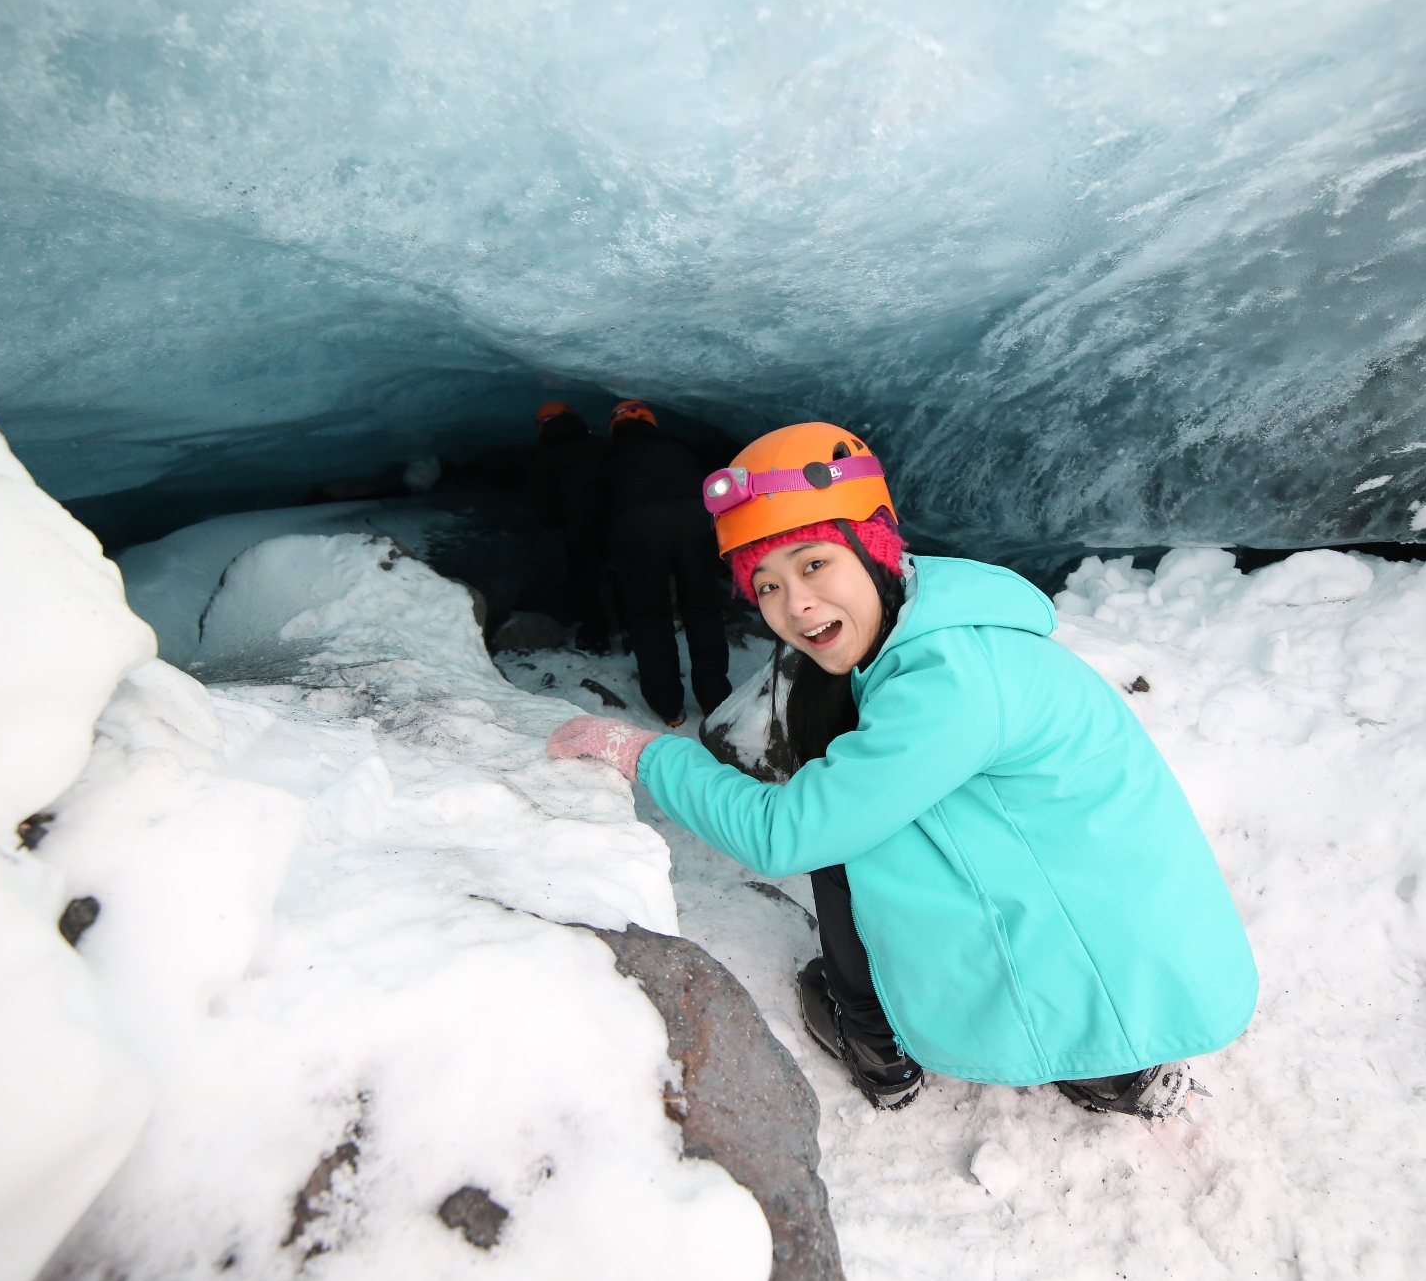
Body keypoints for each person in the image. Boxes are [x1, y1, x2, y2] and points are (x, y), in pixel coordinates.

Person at [546, 422, 1257, 1114]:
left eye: (814, 563)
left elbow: (786, 833)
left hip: (1112, 959)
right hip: (1111, 927)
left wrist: (641, 750)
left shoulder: (952, 682)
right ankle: (1112, 1058)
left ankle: (879, 1044)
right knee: (850, 802)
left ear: (874, 545)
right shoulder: (932, 626)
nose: (794, 604)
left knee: (833, 832)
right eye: (764, 585)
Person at [600, 399, 731, 726]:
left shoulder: (610, 458)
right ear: (650, 422)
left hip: (637, 527)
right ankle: (716, 699)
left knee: (649, 618)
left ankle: (668, 706)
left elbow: (596, 508)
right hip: (693, 519)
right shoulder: (677, 447)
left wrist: (607, 552)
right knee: (703, 610)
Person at [527, 401, 611, 653]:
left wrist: (557, 521)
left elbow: (544, 503)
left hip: (579, 527)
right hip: (617, 522)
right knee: (622, 575)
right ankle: (631, 631)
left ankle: (596, 637)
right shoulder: (601, 445)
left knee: (585, 580)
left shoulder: (544, 457)